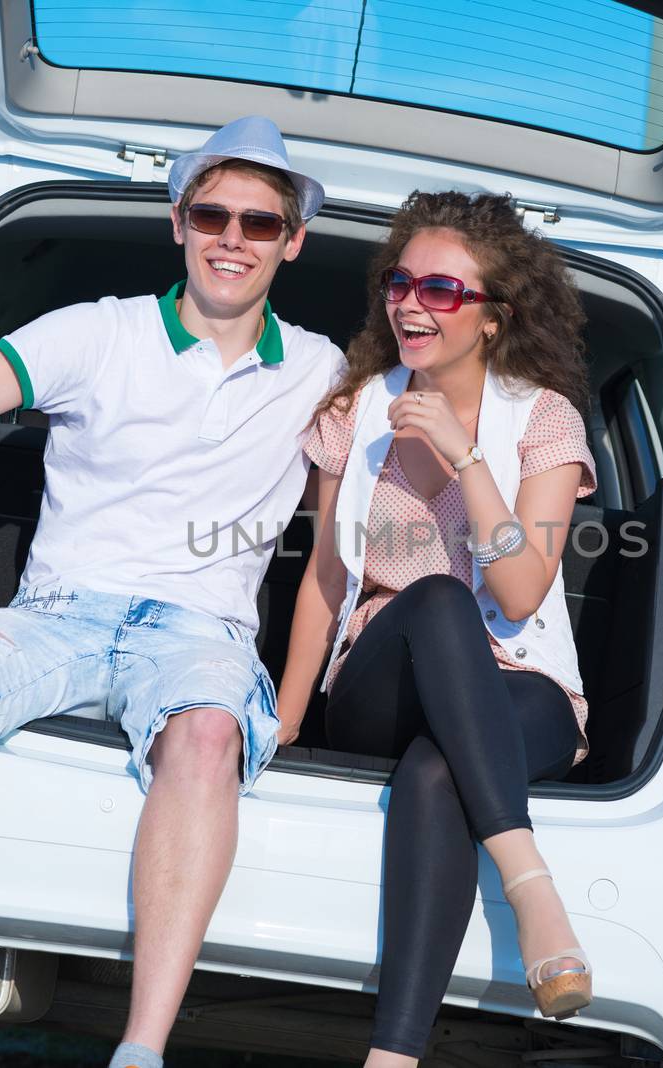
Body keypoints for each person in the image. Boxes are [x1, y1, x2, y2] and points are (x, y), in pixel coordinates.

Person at [0, 117, 342, 1068]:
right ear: (178, 223)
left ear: (292, 241)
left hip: (199, 634)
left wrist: (286, 703)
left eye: (257, 221)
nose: (231, 238)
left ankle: (141, 1053)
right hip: (58, 617)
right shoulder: (96, 331)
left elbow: (344, 540)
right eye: (211, 214)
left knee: (208, 734)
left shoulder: (324, 371)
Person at [276, 191, 598, 1066]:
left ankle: (393, 1057)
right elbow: (326, 574)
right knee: (437, 601)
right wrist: (289, 716)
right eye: (401, 281)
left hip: (518, 681)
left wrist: (466, 457)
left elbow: (523, 589)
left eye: (444, 290)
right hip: (382, 676)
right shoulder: (356, 409)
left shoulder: (544, 420)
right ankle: (530, 883)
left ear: (494, 318)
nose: (412, 303)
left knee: (435, 771)